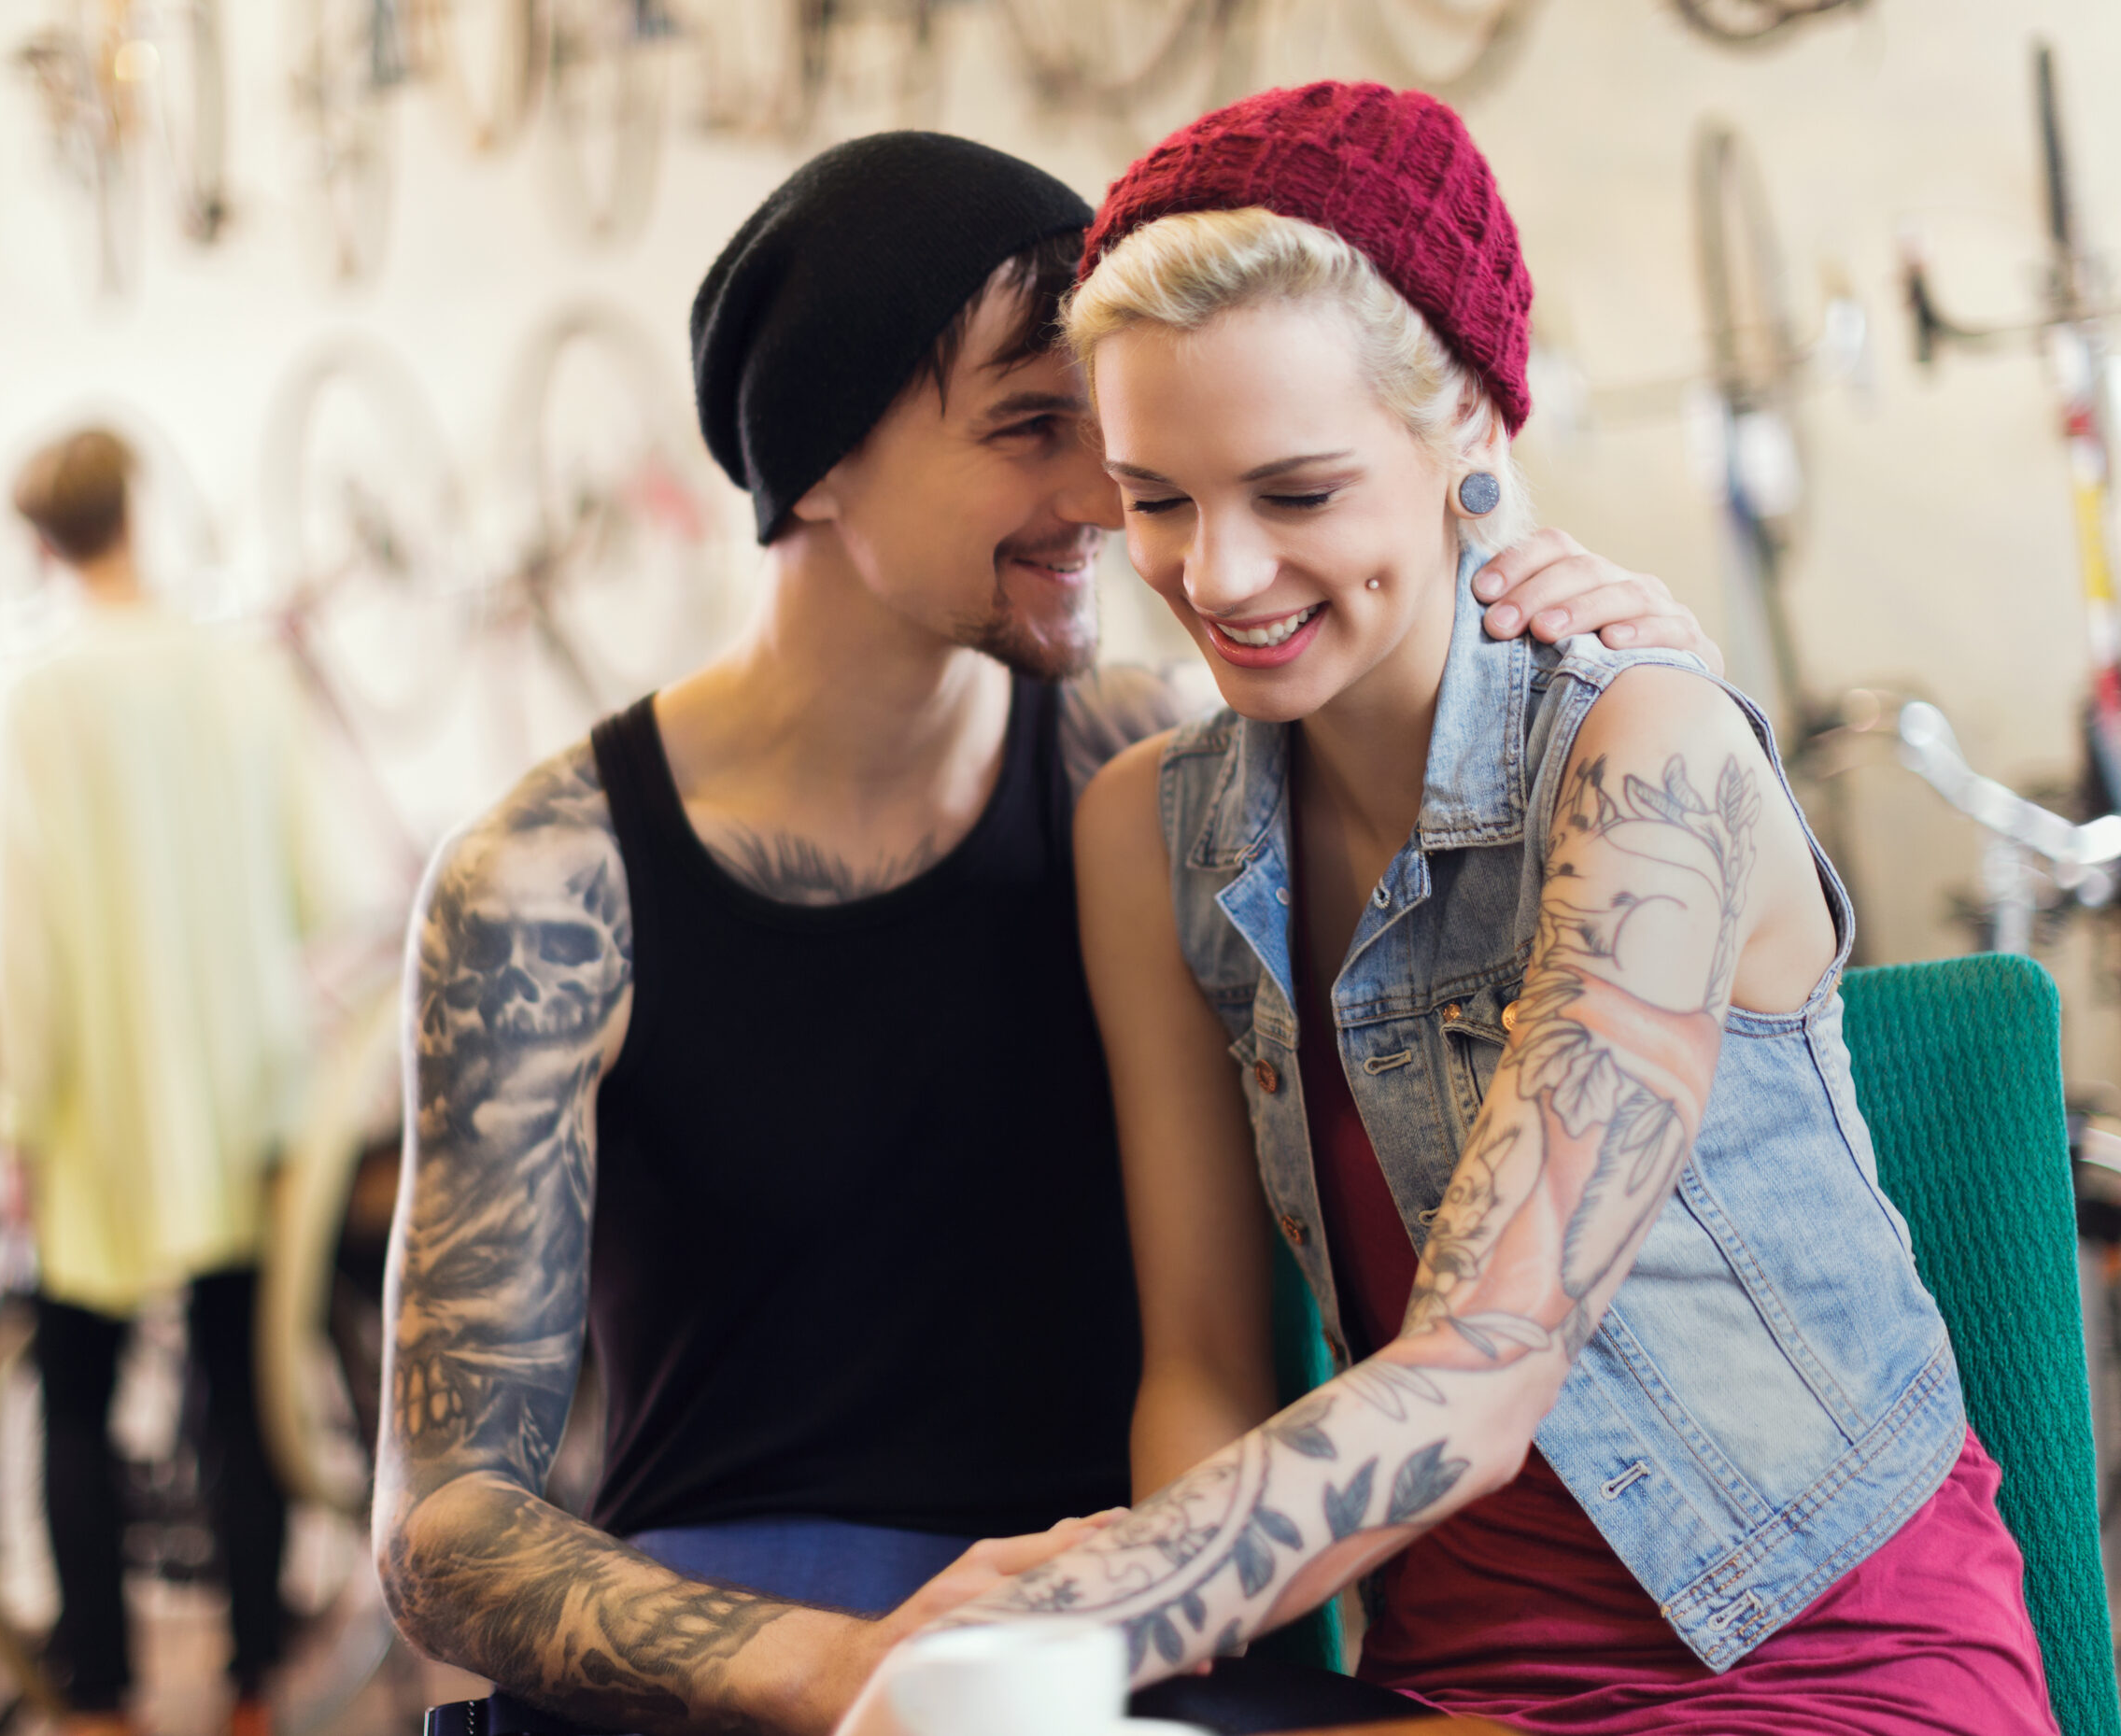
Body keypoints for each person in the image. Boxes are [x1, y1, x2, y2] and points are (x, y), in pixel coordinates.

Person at [375, 131, 1721, 1736]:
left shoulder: (1152, 773)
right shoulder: (548, 881)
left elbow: (1517, 769)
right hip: (740, 1648)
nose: (1112, 497)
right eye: (1032, 430)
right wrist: (839, 1667)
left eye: (1109, 432)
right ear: (812, 464)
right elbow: (442, 1527)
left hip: (1126, 1632)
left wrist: (1618, 632)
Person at [839, 83, 2055, 1736]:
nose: (1221, 575)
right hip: (1443, 1685)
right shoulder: (1153, 833)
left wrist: (1097, 1603)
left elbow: (1486, 1368)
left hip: (1808, 1662)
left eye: (1300, 492)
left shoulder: (1649, 753)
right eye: (1161, 498)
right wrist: (1195, 1688)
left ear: (1472, 426)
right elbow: (1203, 1358)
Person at [0, 430, 320, 1736]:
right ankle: (252, 1684)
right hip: (244, 1101)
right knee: (246, 1390)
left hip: (98, 1116)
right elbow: (327, 885)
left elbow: (27, 937)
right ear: (135, 512)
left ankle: (105, 1696)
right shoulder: (235, 672)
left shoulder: (42, 698)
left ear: (39, 543)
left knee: (75, 1395)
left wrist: (16, 1111)